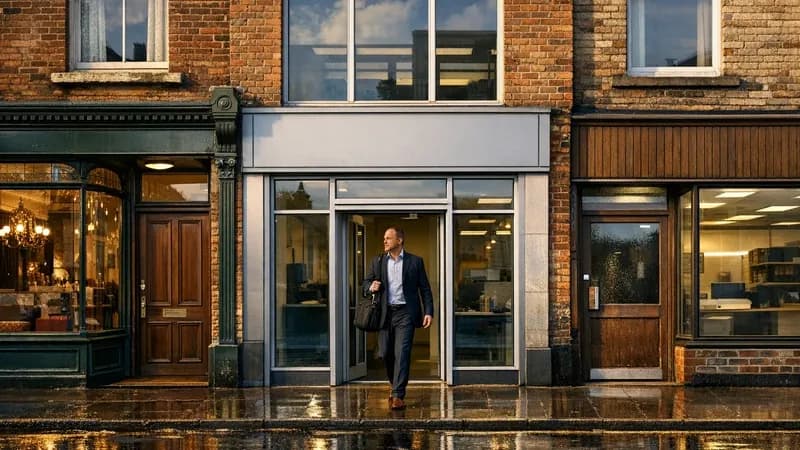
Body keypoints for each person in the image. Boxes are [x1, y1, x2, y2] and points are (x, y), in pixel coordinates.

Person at [363, 226, 434, 410]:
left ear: (399, 240)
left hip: (405, 313)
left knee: (402, 353)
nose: (385, 241)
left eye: (388, 238)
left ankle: (398, 395)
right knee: (386, 353)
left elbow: (425, 289)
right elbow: (365, 283)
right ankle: (394, 384)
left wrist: (428, 312)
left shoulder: (415, 262)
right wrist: (371, 286)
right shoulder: (378, 261)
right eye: (384, 238)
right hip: (385, 314)